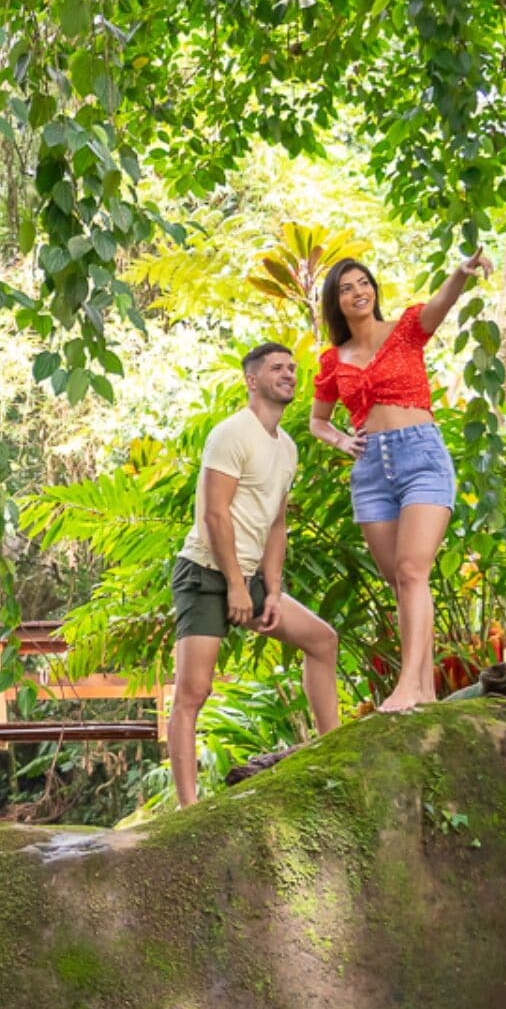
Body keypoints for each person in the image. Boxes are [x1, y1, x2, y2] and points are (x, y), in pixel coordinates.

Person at [307, 251, 489, 714]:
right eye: (346, 288)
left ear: (374, 290)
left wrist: (460, 275)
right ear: (336, 302)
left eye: (363, 282)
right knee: (400, 582)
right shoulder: (333, 360)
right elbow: (318, 421)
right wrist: (341, 442)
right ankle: (424, 691)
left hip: (421, 457)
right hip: (370, 473)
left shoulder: (405, 330)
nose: (357, 292)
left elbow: (440, 305)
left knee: (412, 571)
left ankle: (409, 687)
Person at [167, 341, 343, 807]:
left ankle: (337, 753)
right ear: (252, 379)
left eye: (292, 368)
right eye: (276, 368)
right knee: (194, 692)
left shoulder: (286, 448)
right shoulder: (232, 433)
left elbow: (277, 523)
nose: (288, 374)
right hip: (206, 573)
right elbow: (215, 516)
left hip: (252, 575)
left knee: (323, 641)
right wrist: (238, 587)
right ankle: (187, 810)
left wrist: (273, 589)